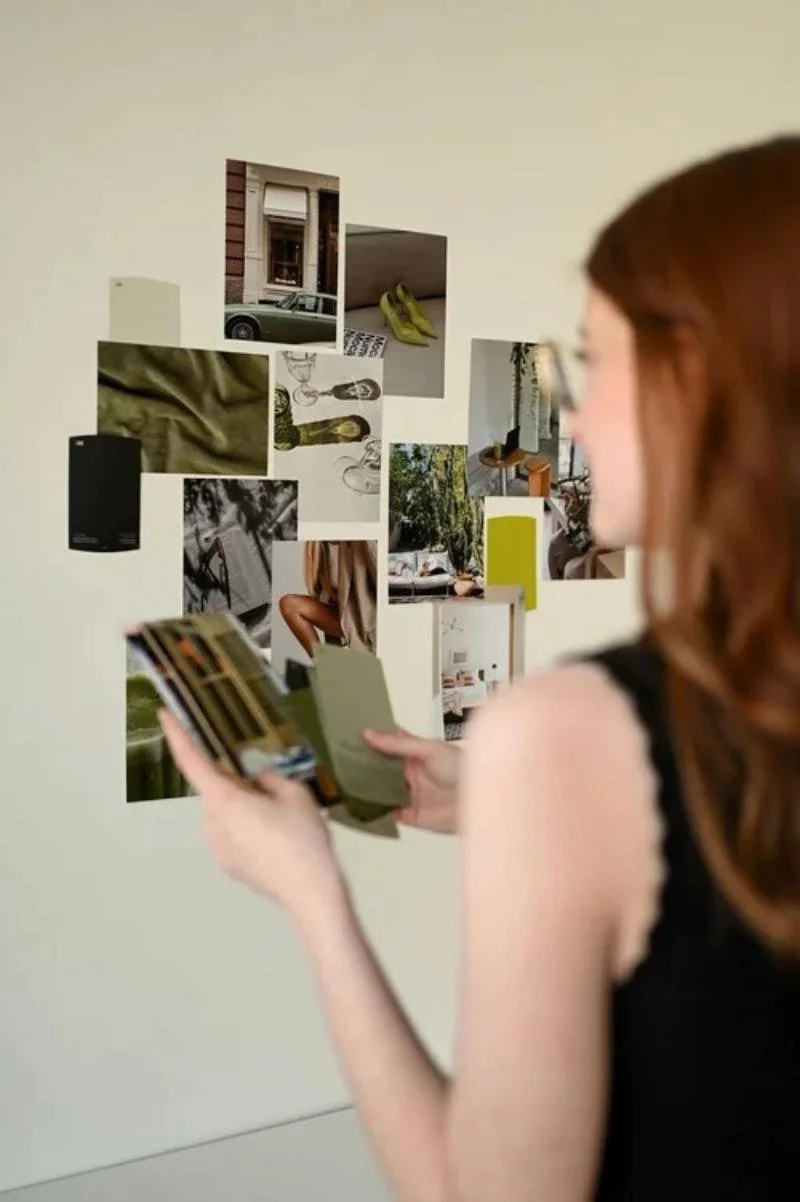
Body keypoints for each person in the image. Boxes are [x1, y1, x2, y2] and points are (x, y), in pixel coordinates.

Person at [159, 135, 800, 1201]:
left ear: (699, 373)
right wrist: (522, 813)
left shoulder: (568, 733)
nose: (577, 418)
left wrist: (310, 890)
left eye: (592, 362)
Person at [278, 540, 377, 657]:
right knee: (289, 604)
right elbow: (324, 593)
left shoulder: (364, 542)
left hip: (371, 620)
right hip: (348, 620)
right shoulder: (319, 547)